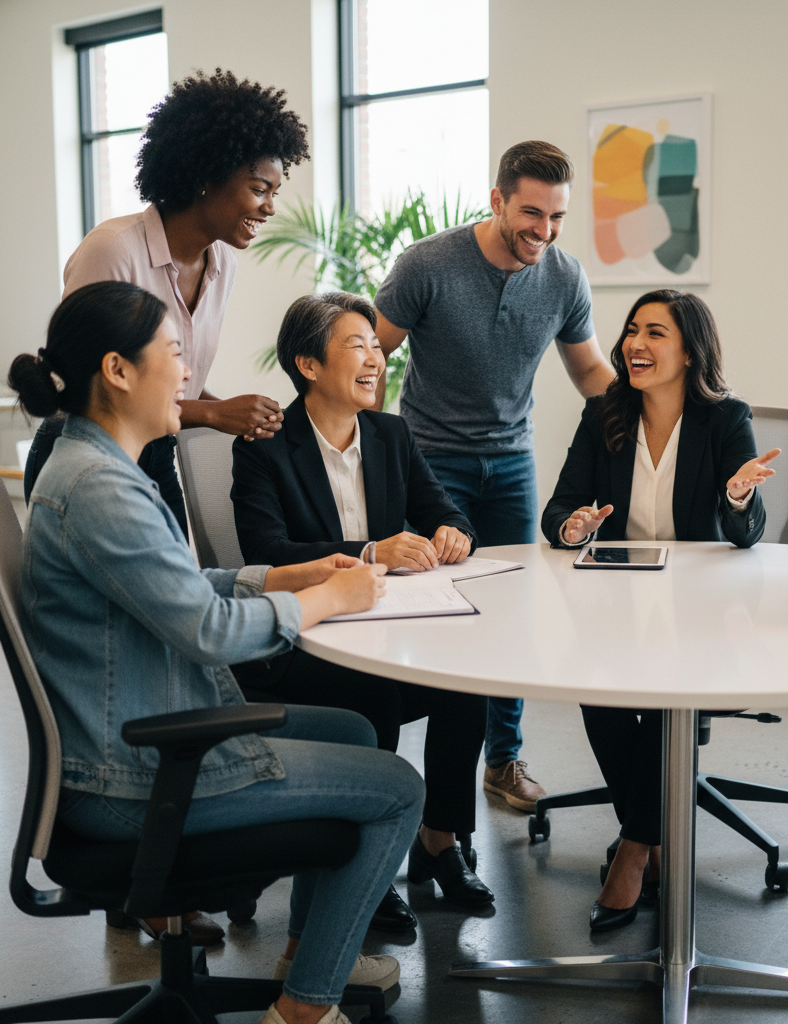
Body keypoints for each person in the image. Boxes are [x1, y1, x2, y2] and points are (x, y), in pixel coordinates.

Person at [8, 280, 425, 1024]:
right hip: (132, 776)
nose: (188, 373)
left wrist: (287, 576)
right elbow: (209, 631)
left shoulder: (95, 466)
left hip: (131, 740)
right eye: (174, 353)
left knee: (354, 729)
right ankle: (304, 1010)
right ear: (118, 370)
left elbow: (176, 587)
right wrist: (327, 600)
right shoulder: (100, 489)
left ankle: (305, 954)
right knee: (398, 786)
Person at [230, 291, 495, 929]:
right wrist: (371, 551)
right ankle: (364, 867)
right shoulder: (264, 447)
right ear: (308, 365)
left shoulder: (390, 434)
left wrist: (453, 532)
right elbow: (267, 554)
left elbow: (444, 510)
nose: (376, 358)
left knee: (467, 681)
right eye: (358, 346)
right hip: (302, 642)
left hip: (382, 628)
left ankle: (439, 839)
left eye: (377, 345)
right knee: (371, 691)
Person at [372, 140, 617, 812]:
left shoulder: (564, 277)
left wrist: (655, 414)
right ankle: (410, 773)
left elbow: (589, 372)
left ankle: (502, 761)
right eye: (532, 213)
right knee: (437, 613)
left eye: (557, 216)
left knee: (511, 616)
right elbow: (370, 357)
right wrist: (372, 455)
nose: (545, 230)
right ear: (498, 201)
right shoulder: (427, 264)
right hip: (430, 462)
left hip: (511, 463)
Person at [541, 289, 780, 932]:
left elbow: (747, 535)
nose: (635, 344)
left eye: (655, 333)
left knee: (668, 694)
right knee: (598, 690)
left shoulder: (725, 419)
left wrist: (738, 496)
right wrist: (573, 527)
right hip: (618, 601)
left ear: (690, 351)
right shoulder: (604, 413)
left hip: (701, 611)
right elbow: (557, 509)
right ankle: (651, 834)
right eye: (631, 331)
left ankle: (634, 851)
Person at [25, 67, 309, 540]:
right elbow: (89, 384)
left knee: (178, 577)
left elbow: (173, 380)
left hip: (157, 447)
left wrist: (232, 410)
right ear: (205, 177)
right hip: (88, 453)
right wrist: (214, 414)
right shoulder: (115, 249)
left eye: (274, 193)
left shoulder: (223, 264)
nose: (270, 208)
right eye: (260, 189)